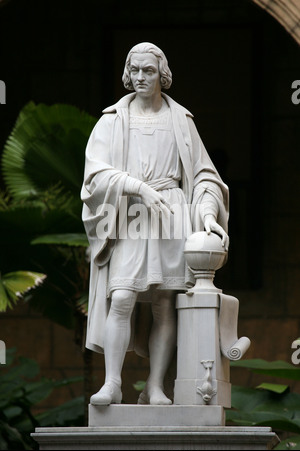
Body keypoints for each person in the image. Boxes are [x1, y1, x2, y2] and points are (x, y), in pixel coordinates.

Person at [81, 42, 229, 405]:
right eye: (135, 71)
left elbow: (205, 177)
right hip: (130, 214)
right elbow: (95, 176)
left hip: (172, 214)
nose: (141, 77)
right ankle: (112, 383)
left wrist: (207, 215)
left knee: (165, 302)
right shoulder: (112, 120)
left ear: (162, 74)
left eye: (149, 70)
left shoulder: (181, 120)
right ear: (127, 75)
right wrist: (137, 187)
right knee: (123, 296)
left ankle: (155, 386)